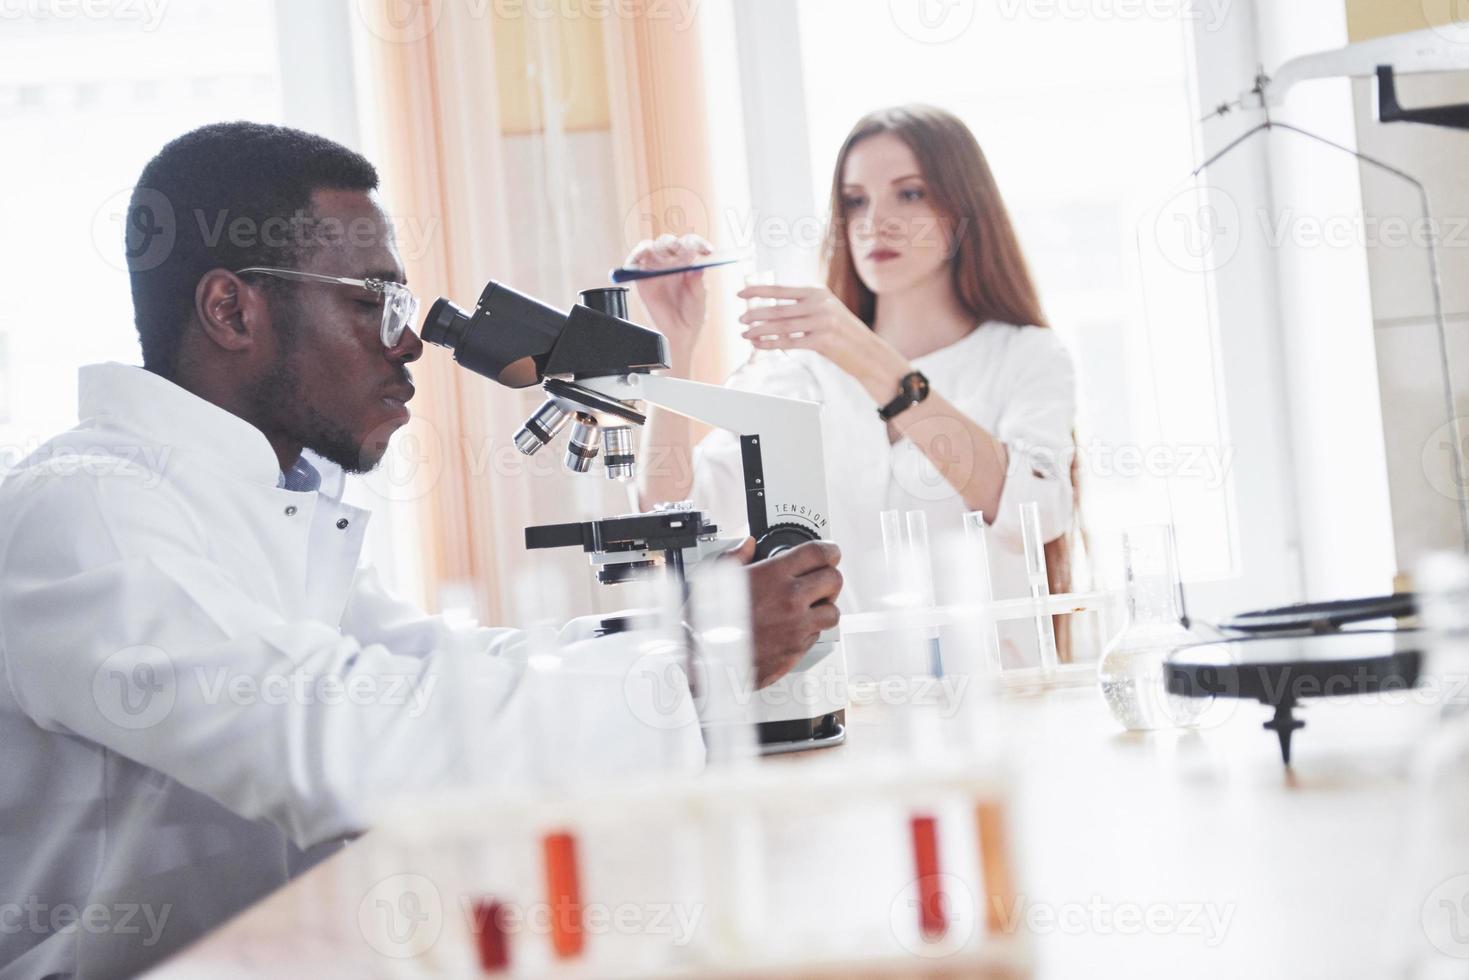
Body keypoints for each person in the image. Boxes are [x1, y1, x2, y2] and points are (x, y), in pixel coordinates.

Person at [0, 122, 842, 979]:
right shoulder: (88, 511)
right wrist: (694, 667)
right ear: (231, 310)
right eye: (373, 302)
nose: (407, 342)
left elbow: (431, 664)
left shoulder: (265, 498)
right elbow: (339, 739)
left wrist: (681, 637)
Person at [630, 104, 1077, 669]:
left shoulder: (1025, 355)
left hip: (999, 702)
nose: (875, 221)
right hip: (850, 716)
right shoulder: (799, 369)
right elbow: (677, 515)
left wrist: (863, 354)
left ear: (965, 208)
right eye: (856, 200)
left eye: (909, 193)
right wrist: (673, 349)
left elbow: (1035, 506)